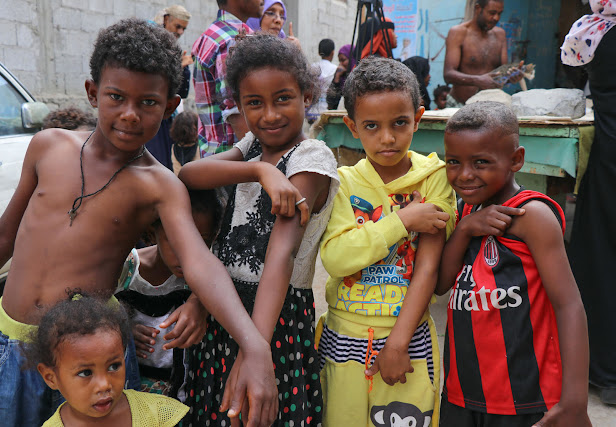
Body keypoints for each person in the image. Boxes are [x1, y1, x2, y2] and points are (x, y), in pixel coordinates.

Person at [0, 19, 278, 427]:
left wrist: (254, 346)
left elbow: (199, 262)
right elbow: (1, 237)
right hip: (11, 348)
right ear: (92, 92)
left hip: (98, 363)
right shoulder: (48, 146)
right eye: (116, 97)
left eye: (148, 103)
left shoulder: (159, 186)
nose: (130, 114)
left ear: (170, 107)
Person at [177, 34, 339, 426]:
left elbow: (280, 255)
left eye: (283, 98)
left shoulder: (312, 158)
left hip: (275, 318)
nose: (269, 115)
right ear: (239, 105)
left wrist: (256, 349)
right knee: (223, 407)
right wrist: (259, 168)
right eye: (255, 103)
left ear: (306, 95)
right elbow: (189, 173)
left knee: (259, 410)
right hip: (227, 308)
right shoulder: (252, 147)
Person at [318, 56, 455, 427]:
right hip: (344, 335)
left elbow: (427, 269)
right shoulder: (342, 182)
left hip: (407, 339)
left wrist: (397, 342)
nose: (387, 138)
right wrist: (403, 220)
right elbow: (336, 258)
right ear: (352, 126)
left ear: (419, 117)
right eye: (372, 126)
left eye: (399, 123)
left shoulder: (434, 179)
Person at [436, 101, 591, 426]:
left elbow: (569, 305)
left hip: (524, 398)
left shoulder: (531, 215)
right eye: (454, 162)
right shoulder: (465, 211)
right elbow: (440, 284)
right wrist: (464, 230)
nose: (464, 175)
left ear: (516, 160)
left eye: (481, 162)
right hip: (462, 390)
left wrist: (575, 399)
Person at [562, 0, 616, 405]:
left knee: (601, 256)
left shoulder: (593, 32)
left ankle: (604, 369)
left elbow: (571, 65)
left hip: (611, 164)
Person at [116, 189, 222, 395]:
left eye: (202, 242)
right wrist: (122, 330)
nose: (186, 254)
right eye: (175, 240)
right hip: (129, 395)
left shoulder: (211, 276)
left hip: (188, 398)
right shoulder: (125, 269)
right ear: (152, 230)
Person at [28, 293, 189, 426]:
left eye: (113, 366)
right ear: (51, 377)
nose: (104, 384)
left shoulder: (159, 413)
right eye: (85, 373)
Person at [193, 0, 263, 157]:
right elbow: (237, 113)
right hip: (236, 160)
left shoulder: (214, 34)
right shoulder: (232, 40)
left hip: (216, 157)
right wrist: (260, 158)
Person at [443, 0, 521, 107]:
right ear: (478, 8)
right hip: (460, 105)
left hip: (490, 107)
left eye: (499, 13)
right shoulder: (458, 33)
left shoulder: (500, 35)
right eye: (492, 13)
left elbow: (501, 74)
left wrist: (512, 76)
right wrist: (478, 80)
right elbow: (448, 75)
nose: (496, 18)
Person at [147, 5, 194, 170]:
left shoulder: (173, 49)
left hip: (165, 116)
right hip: (148, 112)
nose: (180, 32)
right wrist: (176, 68)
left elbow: (182, 92)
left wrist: (182, 69)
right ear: (166, 20)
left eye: (184, 29)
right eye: (178, 26)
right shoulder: (147, 41)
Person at [307, 38, 337, 123]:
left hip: (312, 111)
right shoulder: (335, 69)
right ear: (333, 52)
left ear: (319, 52)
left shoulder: (312, 67)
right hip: (326, 110)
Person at [327, 44, 355, 110]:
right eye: (339, 61)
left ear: (352, 59)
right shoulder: (342, 77)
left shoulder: (358, 78)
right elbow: (331, 104)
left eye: (343, 60)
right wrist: (336, 78)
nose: (340, 64)